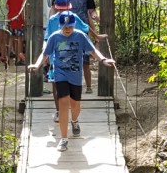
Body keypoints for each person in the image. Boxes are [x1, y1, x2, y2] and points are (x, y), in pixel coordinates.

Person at [28, 11, 115, 152]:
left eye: (70, 27)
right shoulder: (54, 37)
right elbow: (45, 54)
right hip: (60, 74)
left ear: (74, 25)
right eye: (65, 27)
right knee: (63, 104)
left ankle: (74, 121)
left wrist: (104, 60)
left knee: (75, 105)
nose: (67, 30)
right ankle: (63, 139)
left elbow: (93, 51)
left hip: (75, 76)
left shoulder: (80, 36)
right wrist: (36, 65)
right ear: (60, 26)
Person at [45, 0, 107, 122]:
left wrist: (96, 36)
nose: (63, 11)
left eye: (65, 9)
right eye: (61, 9)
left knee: (74, 96)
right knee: (56, 84)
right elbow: (48, 38)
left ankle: (74, 117)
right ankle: (59, 111)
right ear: (57, 9)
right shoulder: (52, 20)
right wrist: (44, 53)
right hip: (57, 57)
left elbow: (85, 28)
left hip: (73, 57)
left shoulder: (75, 18)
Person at [58, 0, 99, 93]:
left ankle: (88, 86)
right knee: (67, 58)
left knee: (85, 60)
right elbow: (56, 7)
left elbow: (91, 10)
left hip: (81, 28)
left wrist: (94, 16)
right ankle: (69, 86)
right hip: (65, 27)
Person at [7, 0, 27, 66]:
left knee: (11, 38)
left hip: (11, 19)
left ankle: (8, 58)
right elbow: (24, 10)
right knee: (19, 39)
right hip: (19, 20)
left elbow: (7, 6)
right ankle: (18, 59)